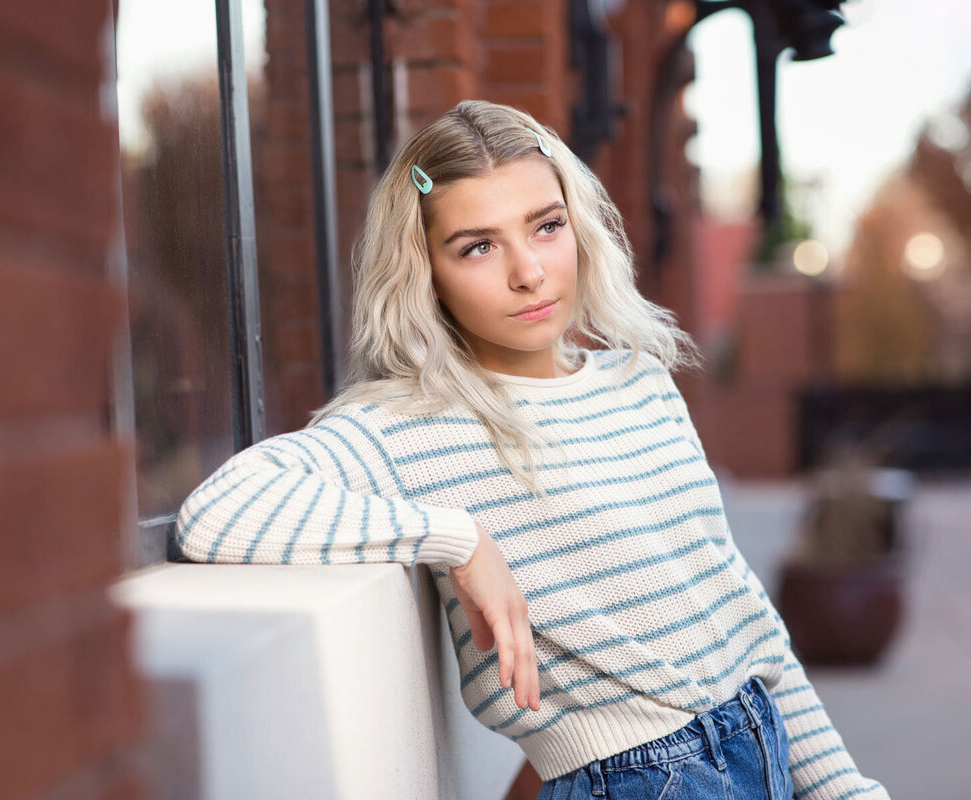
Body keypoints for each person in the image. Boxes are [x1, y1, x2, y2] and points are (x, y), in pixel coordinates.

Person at [176, 100, 888, 800]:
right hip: (640, 780)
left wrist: (845, 788)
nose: (529, 271)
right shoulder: (406, 425)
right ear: (425, 273)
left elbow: (742, 615)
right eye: (478, 246)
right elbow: (216, 512)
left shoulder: (641, 381)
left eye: (546, 227)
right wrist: (459, 539)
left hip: (760, 743)